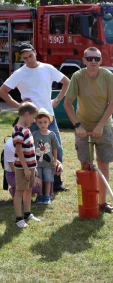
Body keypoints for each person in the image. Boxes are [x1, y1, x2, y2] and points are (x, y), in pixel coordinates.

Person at [0, 43, 70, 192]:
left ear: (35, 52)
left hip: (49, 117)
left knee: (57, 150)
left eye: (30, 56)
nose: (28, 60)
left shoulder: (48, 68)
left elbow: (66, 82)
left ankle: (56, 183)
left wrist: (56, 101)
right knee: (35, 153)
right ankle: (38, 184)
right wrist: (19, 105)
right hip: (30, 120)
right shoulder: (19, 73)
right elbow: (3, 91)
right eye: (24, 58)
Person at [64, 47, 113, 213]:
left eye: (96, 58)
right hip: (83, 128)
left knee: (103, 167)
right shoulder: (77, 76)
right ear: (84, 60)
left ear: (101, 60)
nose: (93, 62)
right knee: (86, 166)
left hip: (105, 127)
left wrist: (100, 125)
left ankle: (102, 203)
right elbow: (67, 103)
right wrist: (77, 126)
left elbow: (112, 103)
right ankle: (88, 203)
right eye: (89, 59)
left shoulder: (107, 76)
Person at [12, 102, 40, 228]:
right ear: (26, 114)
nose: (34, 121)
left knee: (28, 190)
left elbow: (30, 150)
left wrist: (33, 168)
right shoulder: (18, 130)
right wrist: (26, 169)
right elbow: (19, 151)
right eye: (33, 118)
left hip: (30, 167)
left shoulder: (26, 129)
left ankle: (27, 214)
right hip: (22, 168)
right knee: (19, 192)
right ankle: (18, 219)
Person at [33, 108, 59, 205]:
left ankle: (47, 196)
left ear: (49, 122)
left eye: (45, 122)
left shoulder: (52, 135)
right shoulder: (34, 134)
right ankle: (39, 196)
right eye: (40, 122)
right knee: (39, 179)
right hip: (37, 163)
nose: (42, 124)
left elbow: (55, 148)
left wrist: (55, 160)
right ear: (36, 122)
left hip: (48, 162)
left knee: (48, 179)